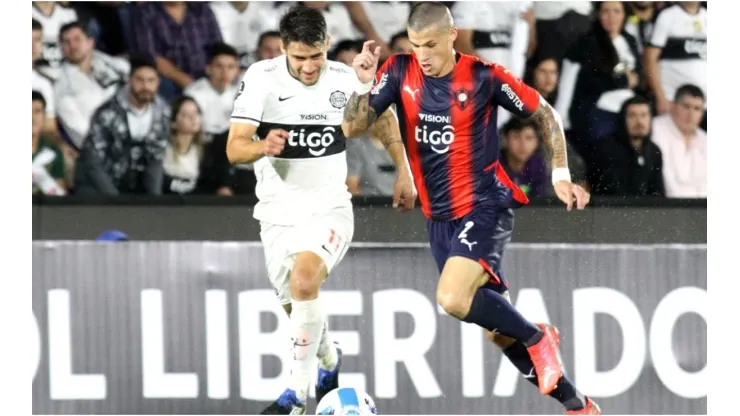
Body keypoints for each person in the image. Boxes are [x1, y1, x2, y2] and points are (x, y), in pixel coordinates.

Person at [342, 2, 600, 415]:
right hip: (439, 220)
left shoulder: (484, 76)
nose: (422, 54)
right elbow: (352, 127)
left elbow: (545, 115)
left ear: (451, 34)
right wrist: (362, 83)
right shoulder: (398, 70)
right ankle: (577, 404)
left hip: (485, 205)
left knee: (451, 297)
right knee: (498, 333)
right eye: (415, 45)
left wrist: (559, 175)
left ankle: (539, 338)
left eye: (429, 44)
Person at [225, 5, 412, 415]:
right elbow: (234, 147)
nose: (310, 68)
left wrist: (404, 170)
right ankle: (330, 359)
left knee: (305, 282)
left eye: (316, 56)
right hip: (276, 215)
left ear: (327, 44)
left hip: (329, 210)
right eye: (300, 59)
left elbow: (368, 124)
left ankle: (295, 396)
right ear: (283, 49)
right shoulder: (261, 79)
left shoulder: (345, 78)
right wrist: (262, 146)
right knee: (299, 314)